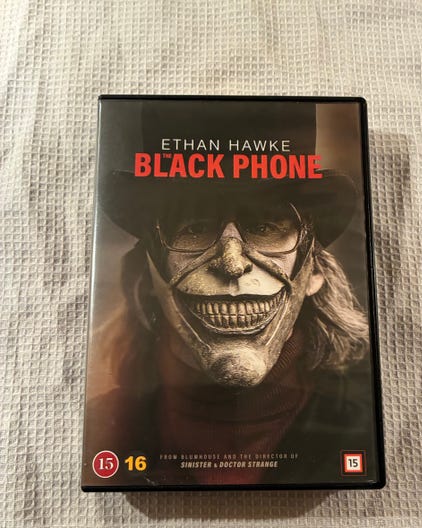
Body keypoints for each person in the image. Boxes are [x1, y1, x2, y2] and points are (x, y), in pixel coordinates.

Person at [84, 99, 374, 486]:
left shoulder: (360, 428)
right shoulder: (107, 429)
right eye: (194, 228)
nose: (232, 263)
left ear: (315, 271)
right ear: (150, 273)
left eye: (266, 227)